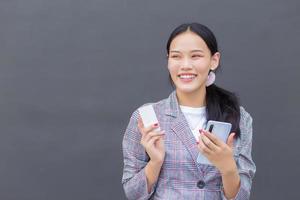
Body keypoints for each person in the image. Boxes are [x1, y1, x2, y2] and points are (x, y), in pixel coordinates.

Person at [122, 22, 256, 200]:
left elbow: (242, 197)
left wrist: (228, 167)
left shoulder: (239, 117)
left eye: (196, 56)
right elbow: (132, 194)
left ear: (213, 60)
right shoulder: (147, 117)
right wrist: (155, 162)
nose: (185, 65)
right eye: (176, 56)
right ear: (168, 60)